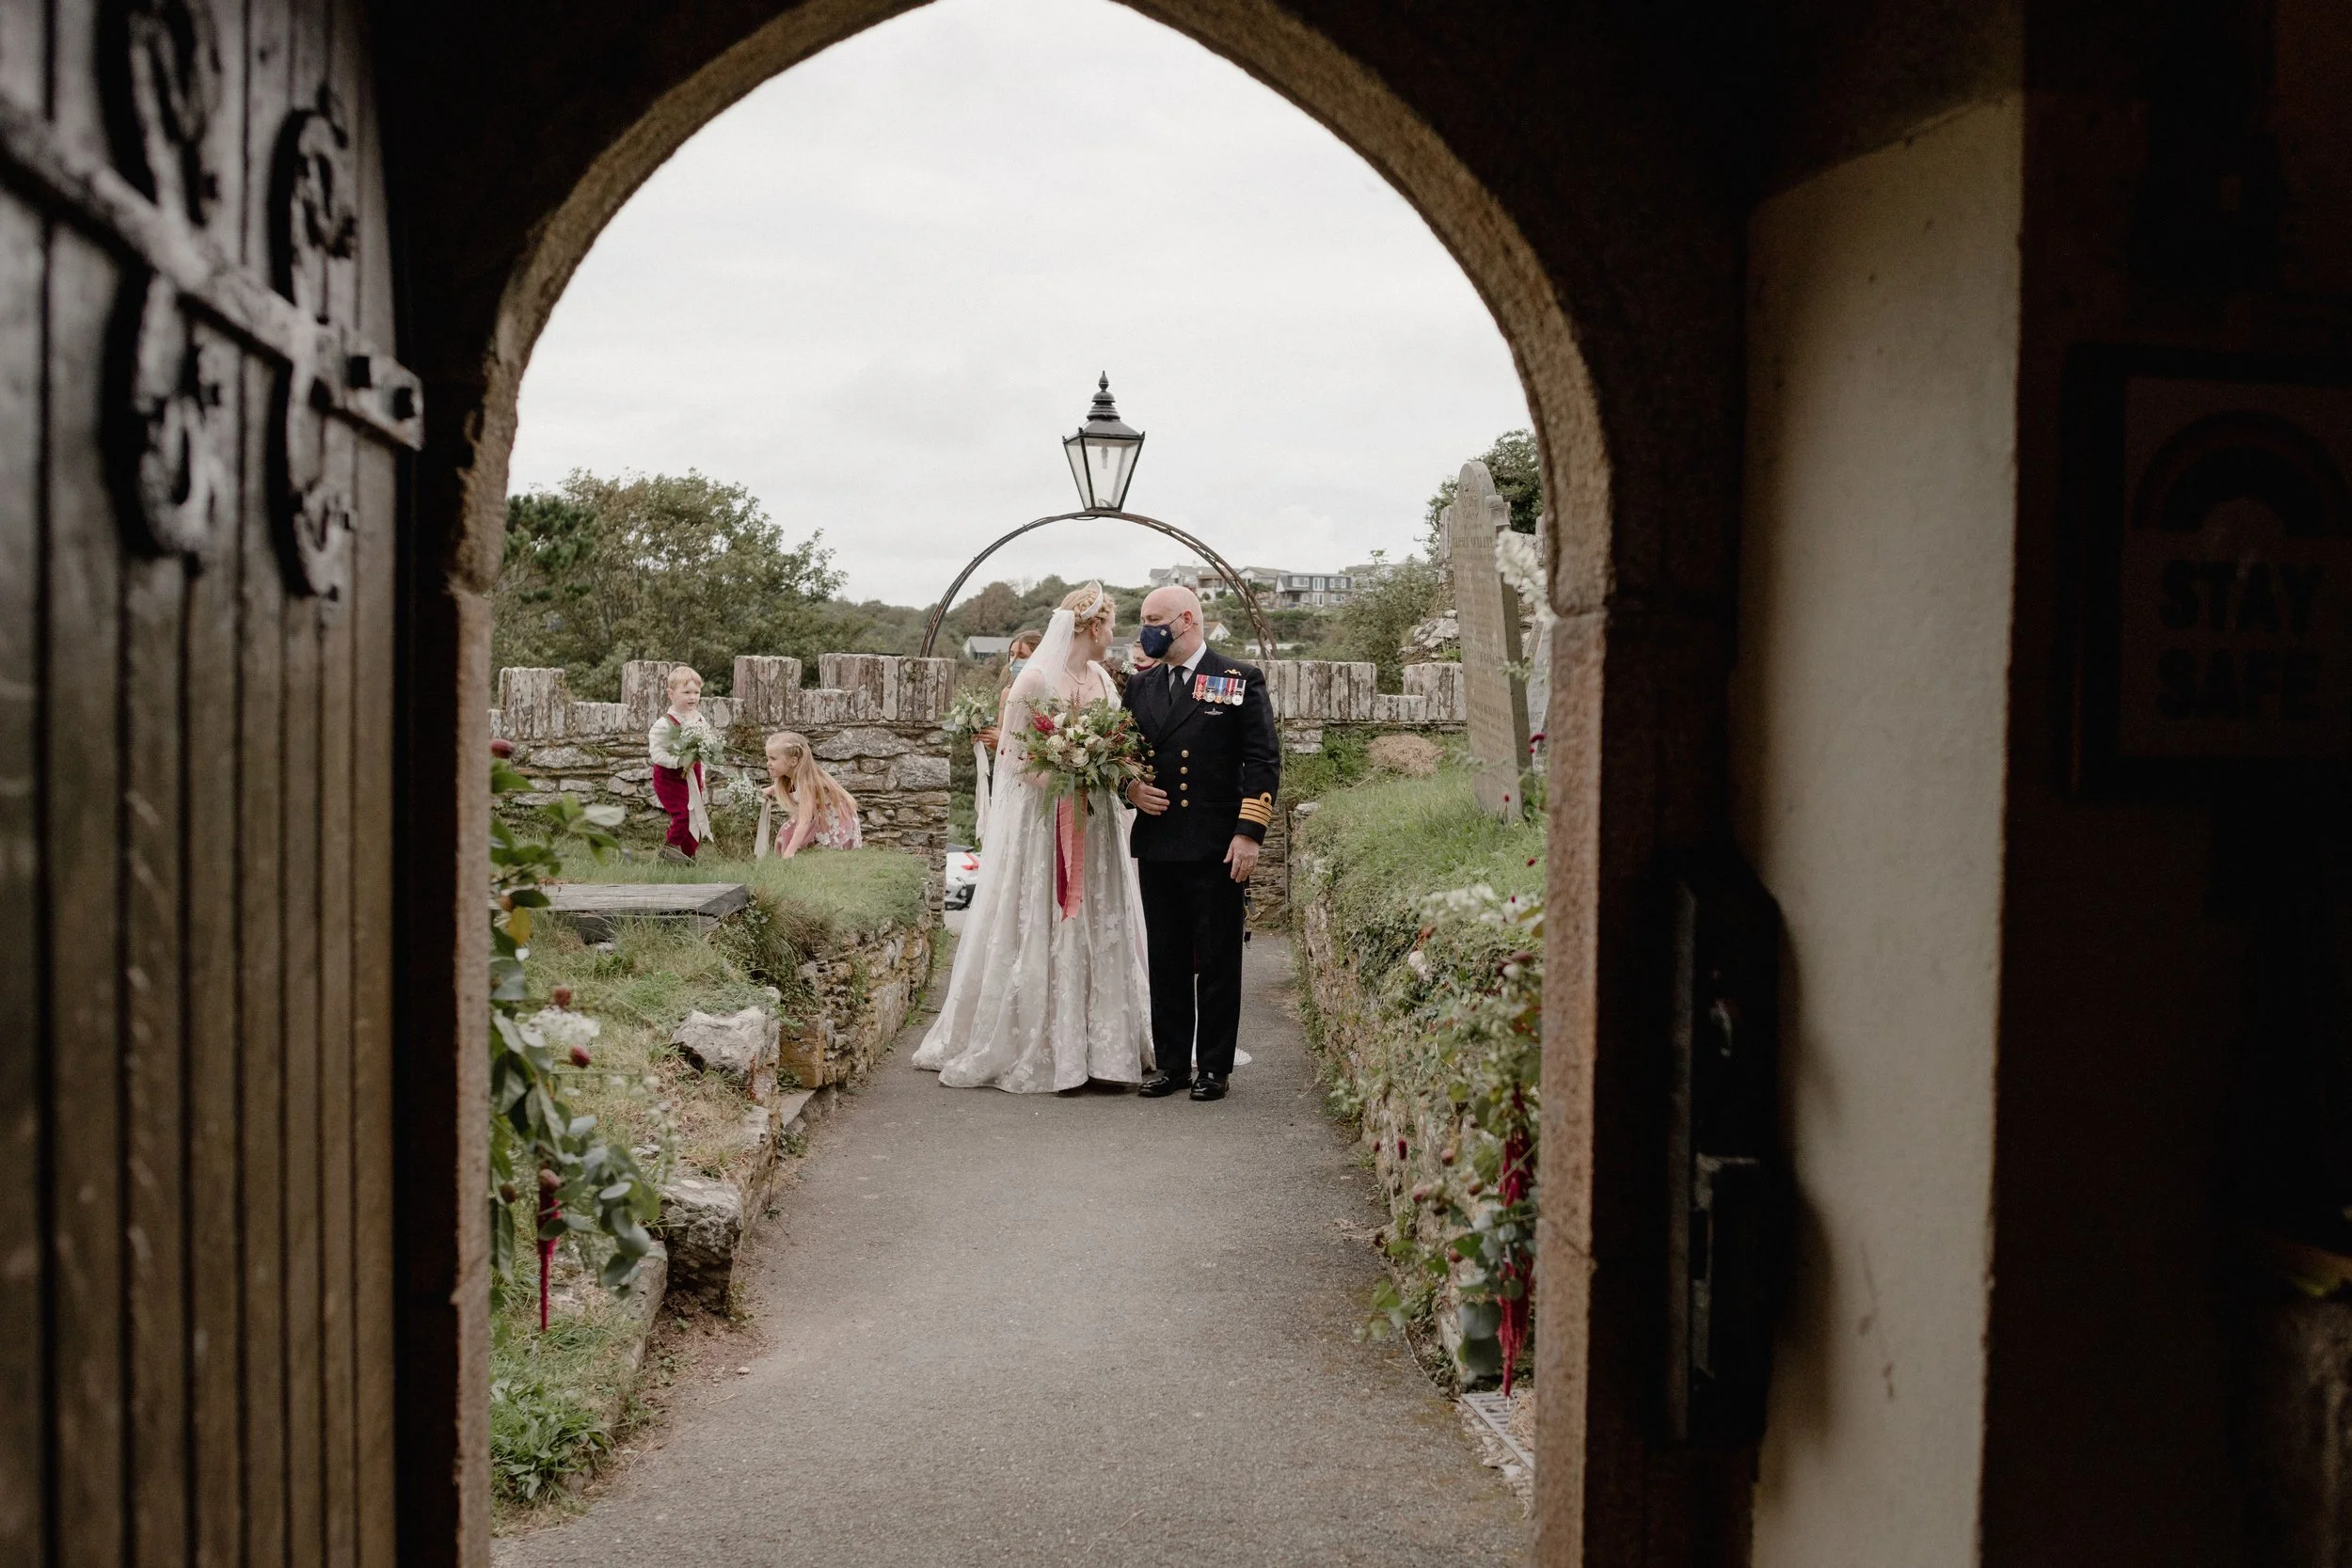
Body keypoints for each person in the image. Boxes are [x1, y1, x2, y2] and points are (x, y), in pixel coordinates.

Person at [914, 584, 1152, 1092]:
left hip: (1098, 824)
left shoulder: (1103, 683)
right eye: (1111, 625)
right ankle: (1046, 1045)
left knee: (1100, 921)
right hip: (1046, 823)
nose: (1114, 635)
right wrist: (1070, 776)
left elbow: (1120, 744)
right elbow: (1014, 762)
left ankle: (1104, 1050)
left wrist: (1109, 771)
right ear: (1093, 626)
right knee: (1045, 919)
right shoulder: (1035, 682)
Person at [1122, 585, 1279, 1101]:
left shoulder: (1236, 679)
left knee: (1216, 959)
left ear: (1187, 619)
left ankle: (1213, 1066)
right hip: (1159, 841)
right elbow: (1123, 757)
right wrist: (1131, 789)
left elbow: (1261, 762)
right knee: (1165, 959)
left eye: (1154, 618)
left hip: (1216, 844)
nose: (1146, 627)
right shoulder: (1140, 687)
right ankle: (1171, 1064)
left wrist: (1249, 833)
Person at [647, 665, 718, 862]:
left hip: (692, 776)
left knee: (695, 816)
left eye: (696, 692)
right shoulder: (663, 724)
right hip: (669, 778)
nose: (692, 697)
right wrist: (679, 761)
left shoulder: (699, 720)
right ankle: (669, 850)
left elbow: (701, 752)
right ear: (671, 694)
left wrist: (701, 775)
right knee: (683, 814)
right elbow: (657, 754)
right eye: (686, 692)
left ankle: (688, 856)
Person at [755, 731, 864, 858]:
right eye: (767, 758)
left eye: (773, 758)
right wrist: (766, 791)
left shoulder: (807, 783)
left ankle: (790, 854)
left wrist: (790, 853)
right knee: (787, 830)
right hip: (819, 814)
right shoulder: (791, 776)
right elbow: (783, 787)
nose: (768, 763)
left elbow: (804, 821)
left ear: (793, 761)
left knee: (825, 848)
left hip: (834, 818)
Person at [973, 626, 1042, 754]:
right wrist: (986, 738)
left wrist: (1004, 740)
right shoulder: (1007, 692)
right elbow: (1001, 749)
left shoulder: (1047, 693)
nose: (1014, 660)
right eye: (1012, 654)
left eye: (1022, 656)